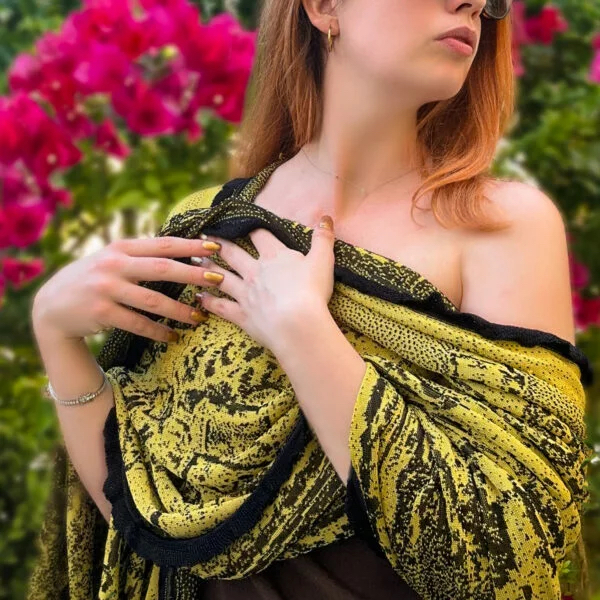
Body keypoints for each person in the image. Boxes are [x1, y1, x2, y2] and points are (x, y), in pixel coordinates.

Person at [27, 1, 594, 599]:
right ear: (324, 8)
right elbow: (146, 520)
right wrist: (56, 335)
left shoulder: (499, 226)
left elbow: (511, 556)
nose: (474, 4)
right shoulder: (209, 224)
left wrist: (303, 332)